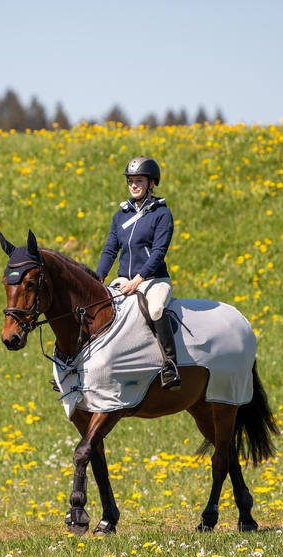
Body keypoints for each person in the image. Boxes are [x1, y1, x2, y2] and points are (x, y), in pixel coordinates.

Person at [95, 156, 180, 390]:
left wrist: (138, 281)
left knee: (155, 309)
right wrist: (98, 277)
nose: (133, 185)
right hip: (124, 277)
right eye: (130, 181)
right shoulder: (120, 215)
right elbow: (110, 249)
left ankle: (170, 365)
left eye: (139, 181)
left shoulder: (162, 214)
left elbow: (158, 253)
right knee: (99, 306)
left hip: (153, 279)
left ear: (151, 183)